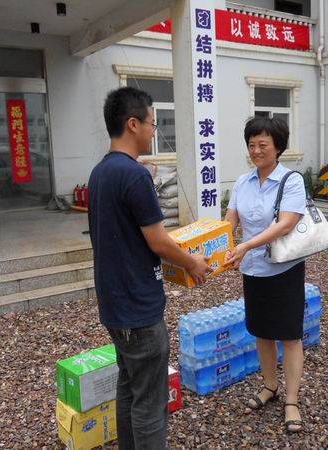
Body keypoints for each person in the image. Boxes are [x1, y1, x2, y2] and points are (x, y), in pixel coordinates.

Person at [88, 86, 211, 450]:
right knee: (150, 403)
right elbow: (158, 241)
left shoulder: (100, 172)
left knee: (128, 387)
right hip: (138, 308)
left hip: (113, 306)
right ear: (132, 124)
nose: (153, 131)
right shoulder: (134, 175)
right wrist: (193, 263)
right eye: (152, 124)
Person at [224, 116, 307, 433]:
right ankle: (270, 386)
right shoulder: (242, 182)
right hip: (253, 269)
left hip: (284, 268)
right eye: (251, 144)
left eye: (263, 144)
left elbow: (285, 224)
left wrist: (246, 245)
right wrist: (217, 249)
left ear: (278, 147)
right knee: (262, 332)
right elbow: (229, 222)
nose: (256, 150)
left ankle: (291, 400)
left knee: (289, 335)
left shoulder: (292, 181)